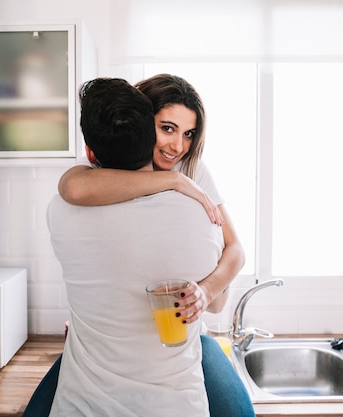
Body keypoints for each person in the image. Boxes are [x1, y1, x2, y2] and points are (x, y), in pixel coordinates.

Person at [46, 77, 224, 416]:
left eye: (188, 133)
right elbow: (74, 188)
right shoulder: (184, 196)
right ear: (144, 124)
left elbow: (235, 252)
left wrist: (206, 290)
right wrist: (171, 181)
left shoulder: (193, 174)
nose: (177, 146)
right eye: (167, 128)